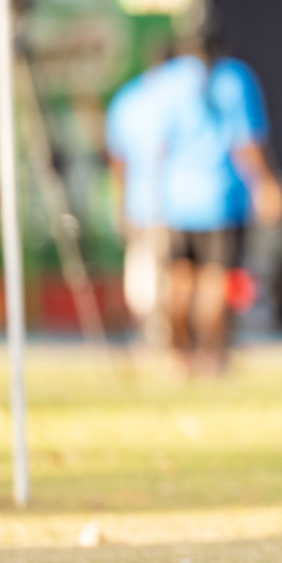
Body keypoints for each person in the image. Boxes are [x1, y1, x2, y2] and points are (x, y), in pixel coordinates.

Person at [159, 26, 282, 377]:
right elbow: (246, 142)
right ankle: (212, 355)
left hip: (176, 198)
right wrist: (265, 185)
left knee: (180, 280)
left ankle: (177, 356)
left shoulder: (168, 80)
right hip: (220, 196)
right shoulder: (234, 78)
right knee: (215, 281)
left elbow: (158, 145)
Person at [106, 45, 174, 348]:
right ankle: (162, 337)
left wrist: (121, 203)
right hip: (176, 202)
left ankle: (153, 335)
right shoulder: (181, 96)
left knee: (146, 275)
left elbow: (118, 162)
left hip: (144, 201)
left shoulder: (128, 99)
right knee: (167, 275)